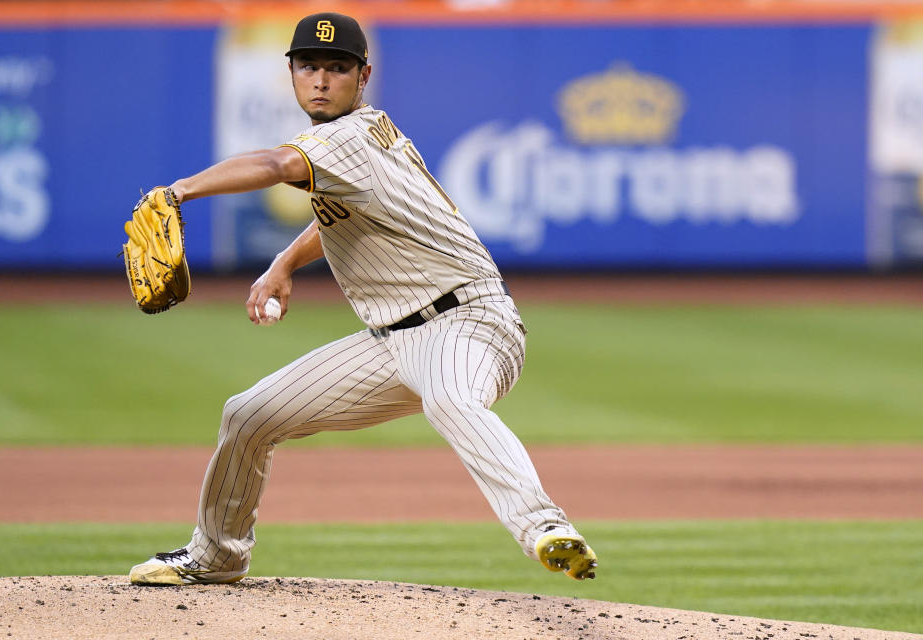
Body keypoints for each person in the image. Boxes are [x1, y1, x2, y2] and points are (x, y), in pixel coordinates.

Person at [129, 12, 596, 586]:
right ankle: (217, 555)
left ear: (363, 74)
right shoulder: (362, 138)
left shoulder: (344, 136)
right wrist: (283, 263)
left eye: (337, 67)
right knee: (248, 415)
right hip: (392, 341)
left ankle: (545, 526)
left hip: (470, 322)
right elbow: (344, 213)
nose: (322, 80)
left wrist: (178, 192)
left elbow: (276, 165)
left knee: (450, 399)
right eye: (309, 66)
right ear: (292, 73)